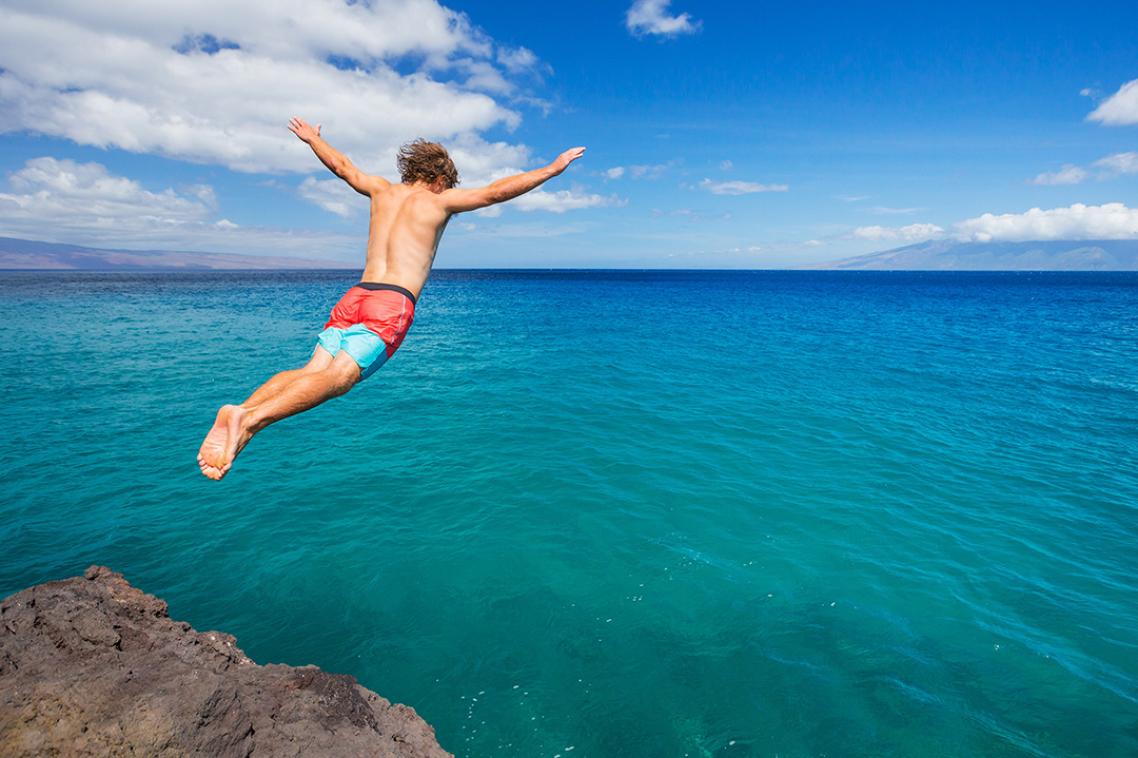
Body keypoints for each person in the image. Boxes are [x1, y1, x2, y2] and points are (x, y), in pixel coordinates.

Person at [197, 118, 586, 480]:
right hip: (391, 303)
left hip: (355, 296)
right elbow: (495, 192)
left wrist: (314, 139)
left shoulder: (380, 189)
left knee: (311, 370)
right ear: (438, 178)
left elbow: (343, 167)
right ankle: (248, 420)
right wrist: (552, 169)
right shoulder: (439, 201)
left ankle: (243, 413)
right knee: (339, 380)